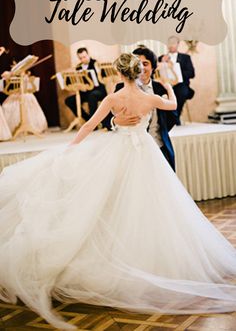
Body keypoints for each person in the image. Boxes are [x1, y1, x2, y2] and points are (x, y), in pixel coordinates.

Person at [1, 53, 236, 331]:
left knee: (112, 203)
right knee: (153, 205)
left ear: (118, 74)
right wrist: (169, 86)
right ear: (138, 72)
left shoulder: (113, 98)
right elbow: (172, 104)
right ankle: (152, 260)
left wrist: (71, 148)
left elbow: (89, 125)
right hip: (146, 153)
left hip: (119, 150)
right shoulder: (149, 97)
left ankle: (119, 256)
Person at [110, 46, 178, 170]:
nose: (141, 67)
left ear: (153, 67)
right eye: (138, 63)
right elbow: (106, 116)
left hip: (159, 147)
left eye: (145, 63)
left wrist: (160, 130)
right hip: (130, 149)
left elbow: (173, 115)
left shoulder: (160, 88)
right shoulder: (120, 87)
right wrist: (114, 121)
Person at [65, 47, 109, 129]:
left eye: (84, 57)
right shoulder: (78, 67)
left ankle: (93, 124)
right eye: (80, 58)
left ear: (88, 55)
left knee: (92, 96)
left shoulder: (96, 63)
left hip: (98, 90)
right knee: (69, 100)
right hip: (85, 92)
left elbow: (104, 77)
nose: (83, 59)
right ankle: (88, 119)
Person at [159, 36, 195, 124]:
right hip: (166, 85)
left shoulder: (185, 58)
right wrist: (162, 62)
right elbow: (156, 73)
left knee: (181, 92)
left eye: (173, 43)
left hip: (181, 85)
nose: (171, 46)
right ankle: (164, 120)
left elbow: (192, 74)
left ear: (178, 44)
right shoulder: (161, 58)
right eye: (169, 44)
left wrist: (177, 71)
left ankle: (175, 117)